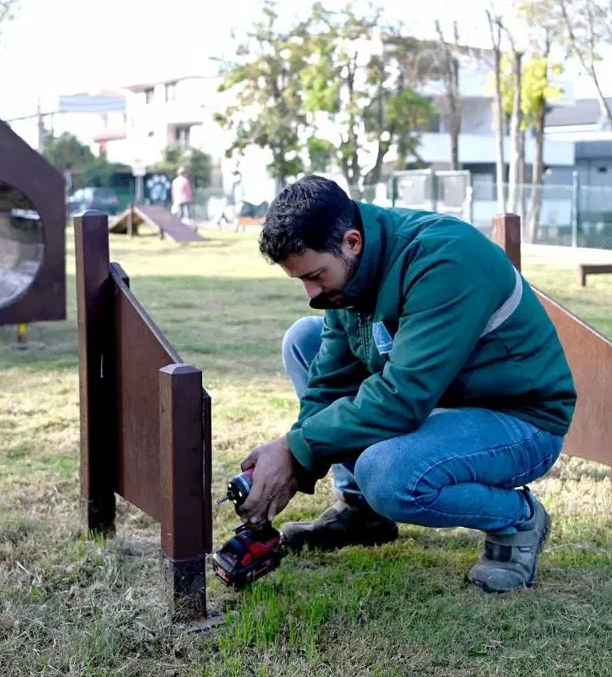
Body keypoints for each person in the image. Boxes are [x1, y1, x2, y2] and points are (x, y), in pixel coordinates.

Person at [238, 175, 577, 594]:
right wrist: (298, 459)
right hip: (439, 401)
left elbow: (401, 399)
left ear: (352, 242)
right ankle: (363, 512)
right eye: (301, 280)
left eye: (316, 275)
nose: (312, 292)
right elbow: (330, 381)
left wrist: (294, 447)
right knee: (304, 340)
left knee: (388, 473)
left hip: (519, 419)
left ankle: (518, 519)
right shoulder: (351, 275)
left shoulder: (444, 260)